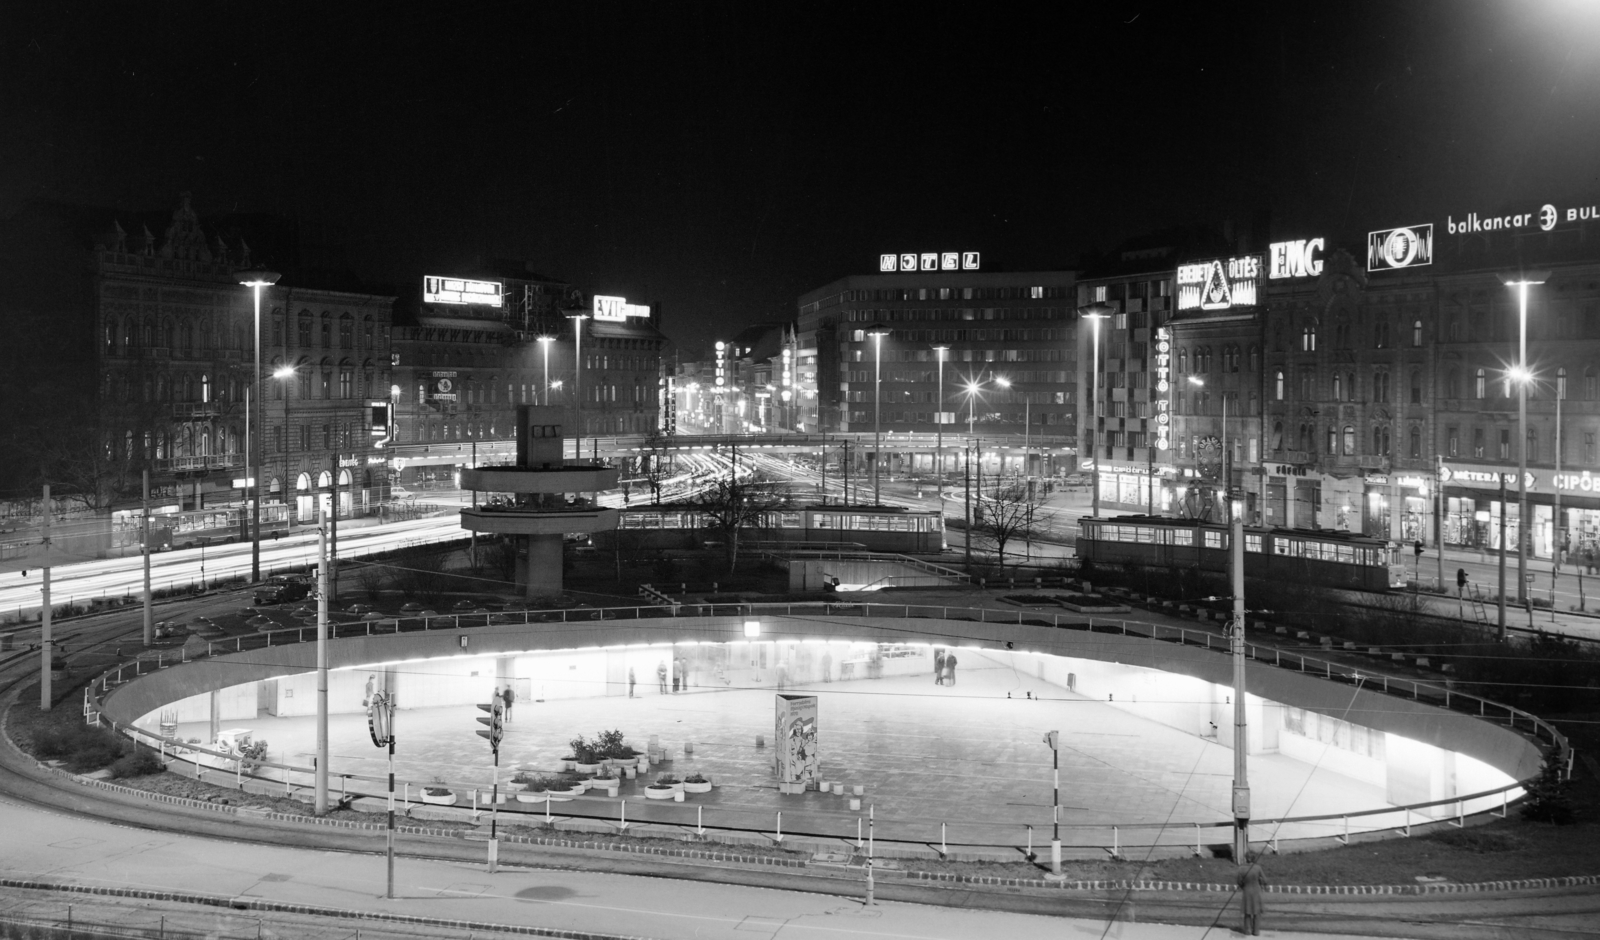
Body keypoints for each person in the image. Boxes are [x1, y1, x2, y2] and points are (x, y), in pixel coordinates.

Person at [1238, 855, 1268, 936]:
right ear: (1254, 859)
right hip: (1256, 891)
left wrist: (1244, 886)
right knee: (1257, 912)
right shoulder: (1258, 868)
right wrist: (1260, 882)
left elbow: (1239, 881)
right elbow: (1265, 880)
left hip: (1246, 891)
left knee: (1247, 911)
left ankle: (1247, 931)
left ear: (1246, 859)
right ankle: (1256, 931)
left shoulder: (1241, 868)